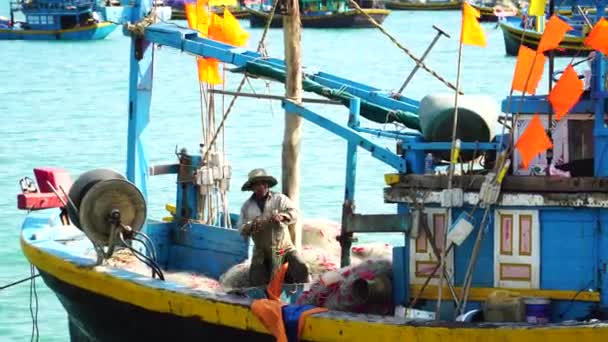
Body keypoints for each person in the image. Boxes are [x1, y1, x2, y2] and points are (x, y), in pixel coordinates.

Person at [237, 168, 309, 286]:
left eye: (264, 183)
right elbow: (241, 228)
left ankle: (301, 295)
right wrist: (251, 226)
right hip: (261, 252)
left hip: (284, 248)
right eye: (258, 184)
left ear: (268, 185)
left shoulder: (279, 199)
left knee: (301, 268)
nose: (262, 186)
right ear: (252, 187)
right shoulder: (247, 206)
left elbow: (295, 213)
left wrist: (283, 216)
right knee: (256, 281)